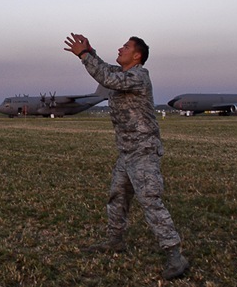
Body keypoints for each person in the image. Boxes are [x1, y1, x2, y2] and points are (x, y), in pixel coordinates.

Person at [64, 33, 189, 280]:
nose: (121, 48)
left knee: (150, 200)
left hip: (143, 150)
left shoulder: (139, 76)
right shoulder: (124, 75)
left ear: (137, 55)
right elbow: (107, 71)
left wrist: (83, 55)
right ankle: (115, 241)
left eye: (126, 47)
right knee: (117, 196)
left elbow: (106, 77)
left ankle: (176, 255)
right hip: (127, 151)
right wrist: (91, 51)